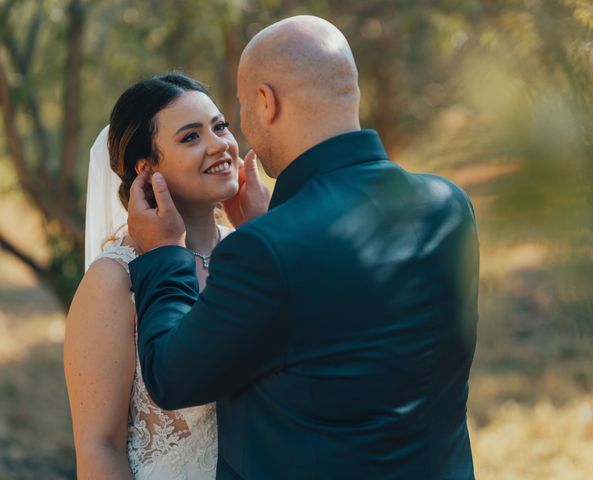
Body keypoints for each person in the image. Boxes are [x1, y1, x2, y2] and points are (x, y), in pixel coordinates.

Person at [127, 16, 479, 480]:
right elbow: (352, 334)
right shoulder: (449, 204)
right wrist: (272, 227)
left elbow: (172, 378)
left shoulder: (266, 249)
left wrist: (162, 255)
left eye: (235, 114)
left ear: (265, 101)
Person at [64, 72, 269, 479]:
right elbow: (98, 448)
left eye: (220, 126)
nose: (219, 146)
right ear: (146, 168)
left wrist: (265, 234)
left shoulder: (250, 252)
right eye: (191, 137)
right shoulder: (115, 280)